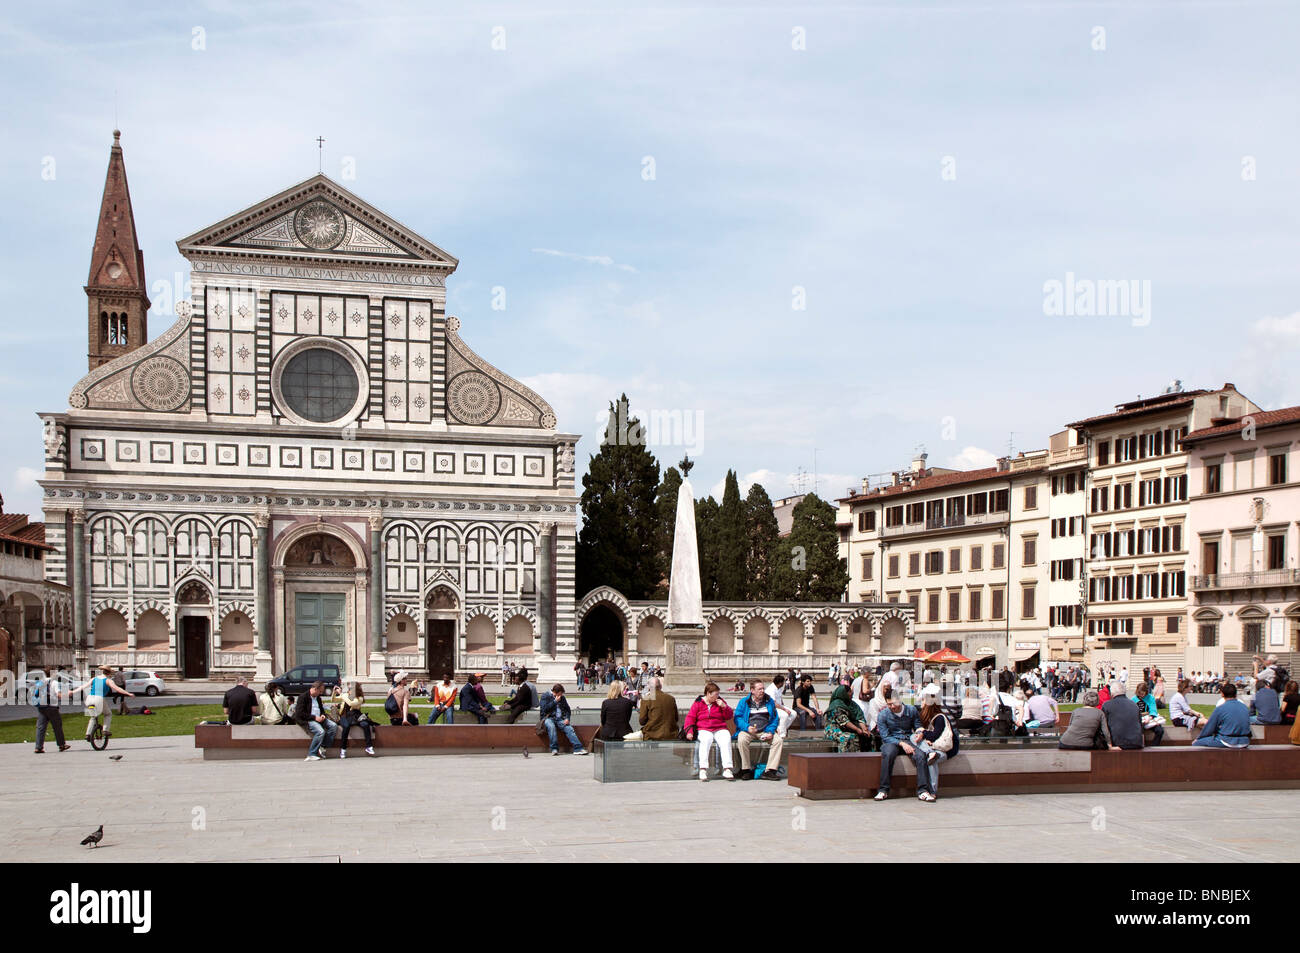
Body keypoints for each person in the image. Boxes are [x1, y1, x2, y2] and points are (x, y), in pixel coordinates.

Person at [874, 693, 931, 801]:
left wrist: (920, 733)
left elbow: (917, 726)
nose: (891, 707)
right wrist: (901, 744)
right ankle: (883, 789)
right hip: (892, 741)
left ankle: (923, 790)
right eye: (889, 704)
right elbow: (885, 736)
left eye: (893, 704)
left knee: (920, 756)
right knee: (888, 754)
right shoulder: (883, 714)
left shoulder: (911, 710)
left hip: (909, 739)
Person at [914, 688, 959, 800]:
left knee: (931, 760)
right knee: (931, 757)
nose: (922, 703)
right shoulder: (927, 717)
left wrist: (923, 733)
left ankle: (932, 791)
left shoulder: (939, 717)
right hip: (934, 747)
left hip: (947, 749)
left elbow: (935, 735)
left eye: (923, 700)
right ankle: (931, 791)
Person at [734, 679, 784, 780]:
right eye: (759, 689)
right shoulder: (744, 702)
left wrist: (770, 731)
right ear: (752, 690)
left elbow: (775, 718)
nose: (762, 691)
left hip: (765, 731)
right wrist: (747, 727)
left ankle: (770, 770)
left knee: (778, 741)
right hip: (749, 730)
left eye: (763, 689)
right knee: (742, 739)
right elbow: (737, 718)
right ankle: (745, 769)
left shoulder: (769, 701)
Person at [684, 682, 734, 781]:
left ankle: (727, 768)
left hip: (719, 727)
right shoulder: (698, 703)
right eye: (715, 695)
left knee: (725, 739)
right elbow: (690, 717)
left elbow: (729, 716)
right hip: (704, 728)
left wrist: (724, 707)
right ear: (708, 693)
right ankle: (703, 769)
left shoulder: (720, 701)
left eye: (718, 694)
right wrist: (689, 731)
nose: (717, 697)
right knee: (705, 740)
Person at [73, 666, 134, 746]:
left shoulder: (94, 679)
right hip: (99, 699)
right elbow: (117, 688)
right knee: (108, 714)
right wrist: (128, 693)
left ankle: (88, 734)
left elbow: (83, 686)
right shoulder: (108, 680)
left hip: (89, 700)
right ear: (109, 673)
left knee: (93, 717)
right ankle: (105, 730)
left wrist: (72, 692)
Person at [1193, 683, 1253, 748]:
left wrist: (1198, 738)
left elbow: (1209, 727)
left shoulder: (1221, 708)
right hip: (1244, 741)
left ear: (1222, 694)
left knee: (1196, 743)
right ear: (1236, 694)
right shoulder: (1244, 707)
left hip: (1227, 741)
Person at [537, 684, 589, 756]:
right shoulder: (545, 696)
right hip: (548, 718)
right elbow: (544, 710)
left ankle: (578, 748)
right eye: (560, 694)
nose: (561, 696)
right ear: (555, 692)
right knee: (551, 727)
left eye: (561, 694)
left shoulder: (562, 698)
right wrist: (555, 701)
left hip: (560, 719)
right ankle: (554, 749)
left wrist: (567, 718)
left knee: (569, 728)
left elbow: (568, 710)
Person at [293, 680, 338, 761]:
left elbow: (321, 709)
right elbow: (300, 713)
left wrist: (323, 715)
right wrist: (314, 718)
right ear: (315, 689)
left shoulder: (318, 698)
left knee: (333, 726)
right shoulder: (303, 697)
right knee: (320, 732)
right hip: (308, 719)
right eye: (320, 691)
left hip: (319, 718)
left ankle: (323, 746)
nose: (320, 693)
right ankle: (311, 754)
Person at [332, 681, 376, 757]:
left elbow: (351, 703)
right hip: (345, 716)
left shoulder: (360, 698)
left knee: (365, 725)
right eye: (348, 688)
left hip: (356, 716)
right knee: (346, 726)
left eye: (350, 689)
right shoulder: (345, 695)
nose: (349, 690)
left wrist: (342, 694)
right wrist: (334, 692)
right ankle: (343, 749)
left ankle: (369, 746)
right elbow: (333, 700)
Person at [824, 684, 872, 752]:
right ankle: (846, 759)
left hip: (850, 728)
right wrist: (857, 729)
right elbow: (844, 721)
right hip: (834, 728)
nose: (851, 694)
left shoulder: (852, 704)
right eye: (849, 692)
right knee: (848, 738)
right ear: (844, 693)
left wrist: (864, 729)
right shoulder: (836, 705)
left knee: (869, 736)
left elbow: (859, 717)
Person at [31, 671, 70, 754]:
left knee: (40, 727)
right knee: (57, 726)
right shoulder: (54, 682)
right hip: (52, 707)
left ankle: (38, 747)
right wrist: (68, 694)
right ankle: (62, 745)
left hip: (41, 707)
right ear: (52, 674)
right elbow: (59, 695)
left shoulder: (40, 682)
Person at [1101, 681, 1145, 750]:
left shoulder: (1107, 705)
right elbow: (1140, 726)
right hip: (1136, 743)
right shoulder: (1134, 705)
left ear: (1112, 693)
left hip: (1117, 744)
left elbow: (1103, 727)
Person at [1132, 681, 1165, 745]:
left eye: (1142, 694)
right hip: (1139, 719)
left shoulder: (1150, 697)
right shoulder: (1134, 699)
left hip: (1149, 718)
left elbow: (1153, 710)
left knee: (1160, 731)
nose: (1141, 696)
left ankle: (1154, 746)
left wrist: (1150, 717)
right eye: (1139, 694)